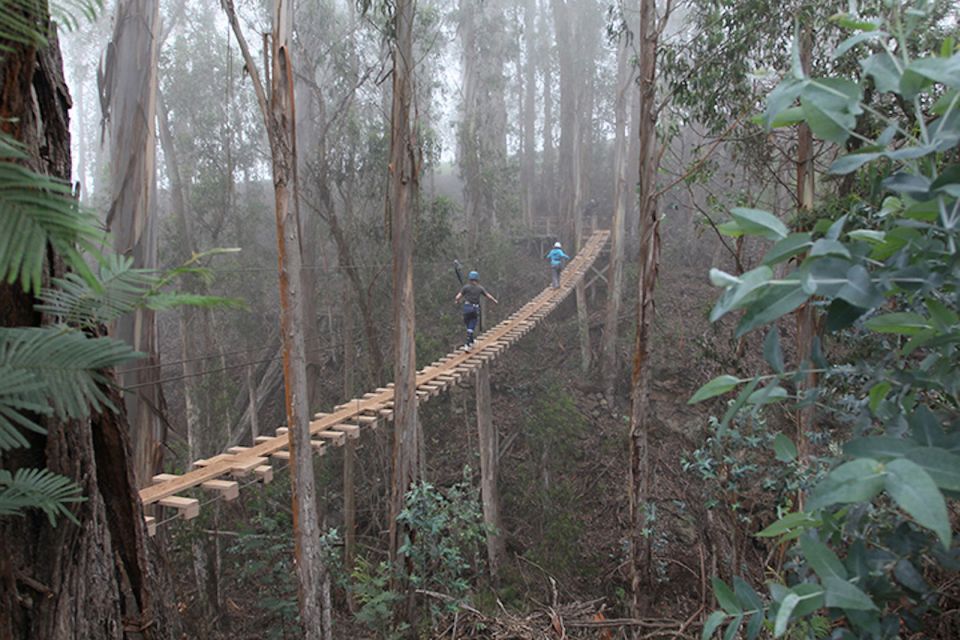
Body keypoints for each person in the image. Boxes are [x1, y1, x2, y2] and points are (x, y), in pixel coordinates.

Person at [455, 271, 498, 350]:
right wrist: (494, 300)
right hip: (474, 308)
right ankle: (468, 344)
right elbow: (488, 295)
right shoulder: (480, 288)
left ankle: (471, 341)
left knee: (468, 325)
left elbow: (457, 297)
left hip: (466, 308)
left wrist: (457, 301)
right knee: (472, 325)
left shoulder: (465, 287)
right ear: (477, 279)